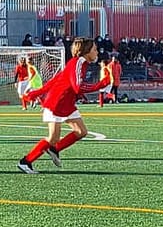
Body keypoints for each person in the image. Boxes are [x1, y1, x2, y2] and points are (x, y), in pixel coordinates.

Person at [17, 37, 111, 174]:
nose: (97, 52)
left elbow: (56, 80)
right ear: (86, 51)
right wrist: (99, 85)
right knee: (53, 138)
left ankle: (54, 149)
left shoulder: (78, 63)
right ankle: (25, 161)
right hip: (57, 103)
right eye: (95, 49)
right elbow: (78, 87)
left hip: (67, 103)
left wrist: (38, 92)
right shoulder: (78, 62)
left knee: (81, 132)